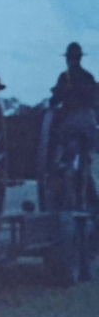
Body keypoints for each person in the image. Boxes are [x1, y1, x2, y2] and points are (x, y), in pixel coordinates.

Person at [49, 42, 98, 208]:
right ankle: (84, 195)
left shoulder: (66, 76)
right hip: (89, 122)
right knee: (85, 158)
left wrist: (53, 100)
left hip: (73, 121)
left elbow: (56, 99)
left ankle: (69, 192)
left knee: (66, 151)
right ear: (80, 58)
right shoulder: (89, 77)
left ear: (68, 59)